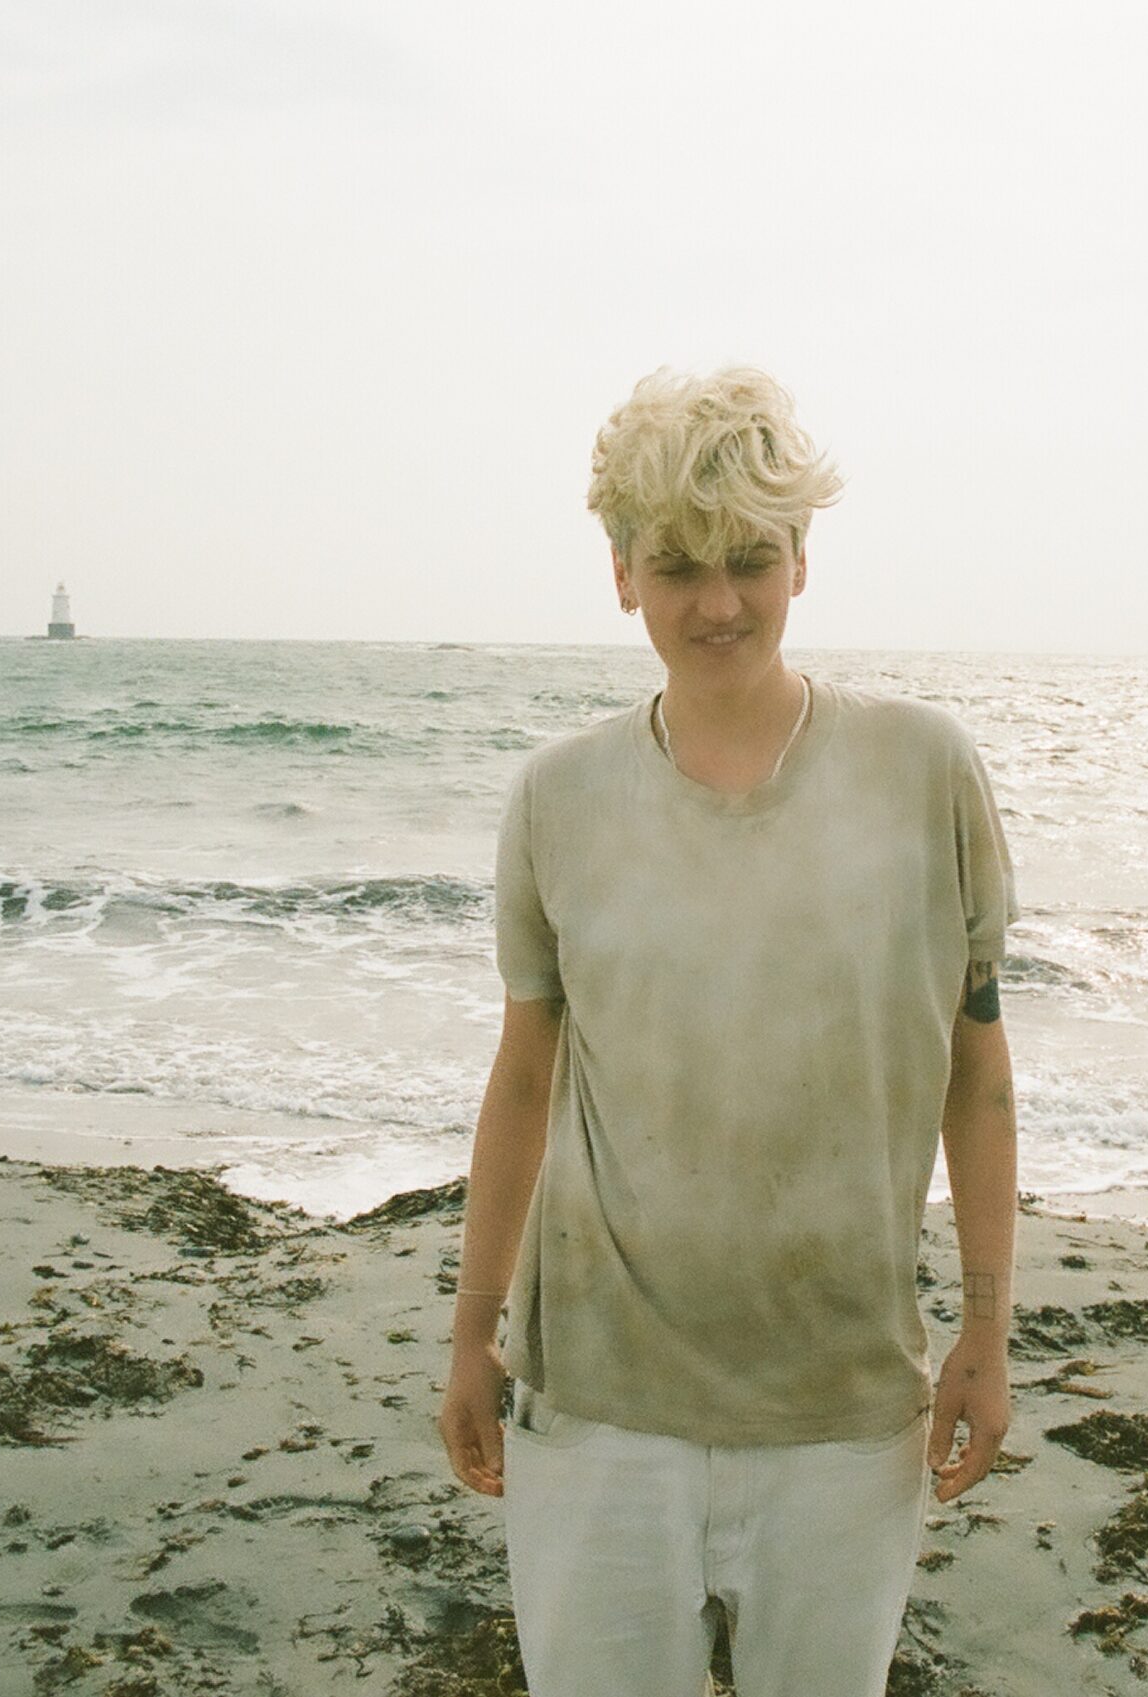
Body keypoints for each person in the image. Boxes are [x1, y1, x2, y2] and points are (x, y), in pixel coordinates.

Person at [434, 365, 1019, 1697]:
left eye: (750, 559)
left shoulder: (926, 771)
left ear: (803, 559)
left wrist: (986, 1323)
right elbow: (525, 1074)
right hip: (597, 1409)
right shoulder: (558, 796)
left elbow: (976, 1071)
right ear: (622, 572)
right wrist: (473, 1331)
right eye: (677, 564)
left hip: (844, 1405)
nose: (717, 602)